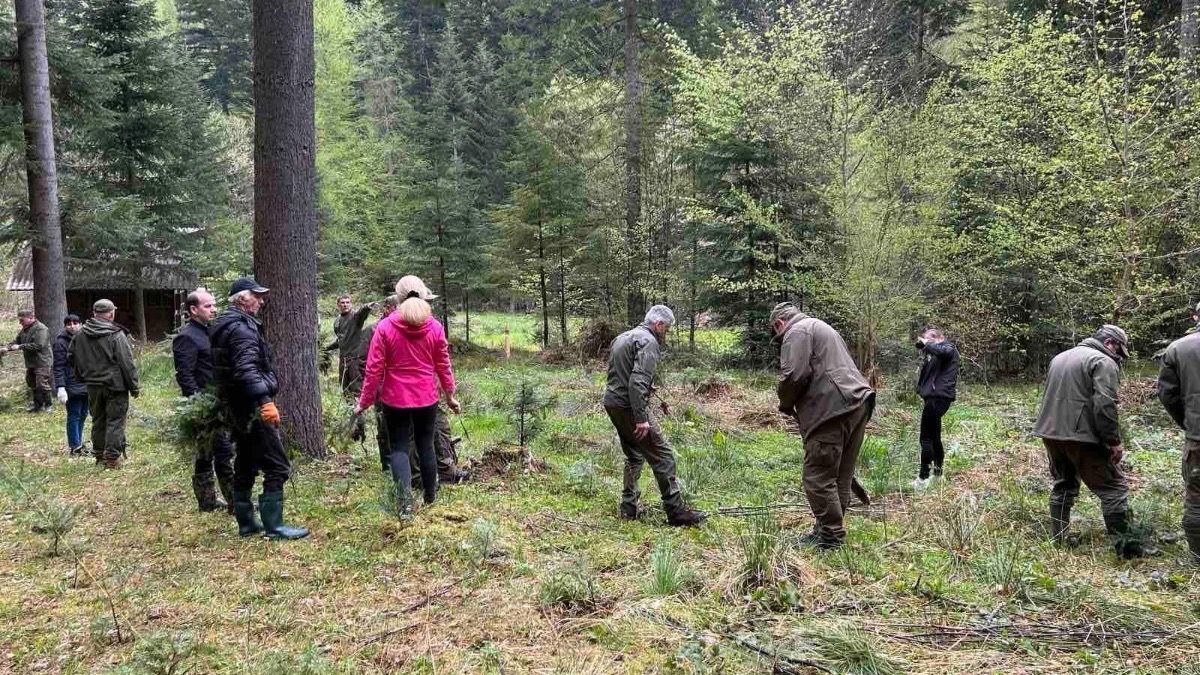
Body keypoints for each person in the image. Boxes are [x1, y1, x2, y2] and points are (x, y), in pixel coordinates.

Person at [1033, 325, 1145, 558]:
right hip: (1082, 436)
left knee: (1063, 483)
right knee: (1114, 489)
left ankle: (1059, 540)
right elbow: (1104, 404)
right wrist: (1113, 440)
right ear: (1109, 344)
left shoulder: (1060, 357)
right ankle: (1128, 551)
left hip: (1050, 432)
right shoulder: (1103, 362)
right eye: (1119, 351)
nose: (1119, 358)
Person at [353, 276, 461, 517]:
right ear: (423, 294)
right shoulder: (435, 326)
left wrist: (364, 402)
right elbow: (444, 365)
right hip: (427, 398)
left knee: (400, 448)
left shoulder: (385, 327)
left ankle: (405, 506)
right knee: (425, 445)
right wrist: (450, 397)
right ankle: (430, 496)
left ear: (398, 297)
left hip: (395, 399)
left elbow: (373, 369)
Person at [772, 302, 875, 550]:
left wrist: (785, 402)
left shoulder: (796, 332)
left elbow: (794, 375)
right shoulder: (822, 327)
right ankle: (828, 530)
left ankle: (831, 536)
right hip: (858, 403)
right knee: (840, 474)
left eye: (776, 334)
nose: (778, 338)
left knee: (817, 476)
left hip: (831, 409)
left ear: (779, 324)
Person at [210, 278, 308, 540]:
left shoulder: (224, 325)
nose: (261, 301)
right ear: (243, 299)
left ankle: (246, 523)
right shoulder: (241, 330)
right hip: (252, 406)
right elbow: (246, 370)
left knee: (246, 461)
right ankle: (274, 527)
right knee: (277, 466)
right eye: (257, 296)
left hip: (235, 406)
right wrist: (265, 401)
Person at [602, 305, 706, 527]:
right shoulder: (648, 342)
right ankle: (676, 512)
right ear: (658, 324)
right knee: (664, 456)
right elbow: (636, 381)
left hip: (612, 403)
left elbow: (620, 374)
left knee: (634, 455)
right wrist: (641, 417)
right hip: (630, 407)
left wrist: (647, 389)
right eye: (666, 329)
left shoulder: (623, 337)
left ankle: (628, 509)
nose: (665, 334)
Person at [173, 289, 236, 513]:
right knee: (221, 452)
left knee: (208, 452)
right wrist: (199, 406)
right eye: (208, 306)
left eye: (214, 305)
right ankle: (234, 501)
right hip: (204, 407)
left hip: (220, 402)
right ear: (193, 309)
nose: (214, 309)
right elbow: (185, 375)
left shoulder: (211, 331)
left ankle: (208, 501)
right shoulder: (186, 337)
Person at [68, 299, 139, 469]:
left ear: (94, 313)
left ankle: (99, 456)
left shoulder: (80, 334)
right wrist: (134, 386)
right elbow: (127, 363)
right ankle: (112, 459)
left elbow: (71, 357)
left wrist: (83, 374)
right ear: (111, 313)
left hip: (92, 386)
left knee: (98, 420)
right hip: (115, 386)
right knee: (115, 421)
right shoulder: (115, 334)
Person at [1156, 314, 1200, 565]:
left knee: (1196, 497)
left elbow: (1167, 393)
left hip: (1198, 437)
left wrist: (1188, 422)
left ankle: (1197, 558)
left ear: (1196, 317)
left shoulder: (1178, 348)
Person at [913, 328, 960, 488]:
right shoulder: (936, 355)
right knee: (935, 438)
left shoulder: (948, 348)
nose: (926, 344)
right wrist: (921, 391)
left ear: (938, 338)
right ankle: (938, 475)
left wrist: (927, 343)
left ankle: (923, 479)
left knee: (925, 438)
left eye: (929, 340)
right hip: (934, 398)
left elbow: (944, 352)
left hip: (936, 398)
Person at [53, 314, 89, 455]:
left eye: (75, 323)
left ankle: (79, 442)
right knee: (74, 414)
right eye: (69, 324)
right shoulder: (60, 343)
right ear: (65, 326)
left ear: (80, 324)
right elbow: (58, 366)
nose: (72, 326)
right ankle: (75, 446)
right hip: (71, 384)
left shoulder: (85, 338)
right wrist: (61, 387)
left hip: (86, 382)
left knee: (83, 414)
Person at [6, 309, 53, 412]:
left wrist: (20, 347)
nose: (20, 323)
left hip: (42, 361)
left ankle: (48, 405)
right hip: (31, 362)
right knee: (31, 383)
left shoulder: (41, 329)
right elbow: (16, 341)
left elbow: (38, 345)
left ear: (31, 318)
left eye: (22, 320)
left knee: (41, 384)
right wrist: (7, 348)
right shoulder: (25, 329)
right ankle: (38, 405)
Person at [324, 294, 372, 397]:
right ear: (338, 305)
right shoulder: (337, 321)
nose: (345, 305)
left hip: (355, 359)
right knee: (344, 387)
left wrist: (367, 307)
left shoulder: (355, 317)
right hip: (343, 359)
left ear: (351, 304)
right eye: (342, 302)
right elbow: (341, 340)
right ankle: (349, 410)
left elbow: (361, 313)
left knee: (356, 388)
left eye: (347, 302)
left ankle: (359, 411)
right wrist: (326, 348)